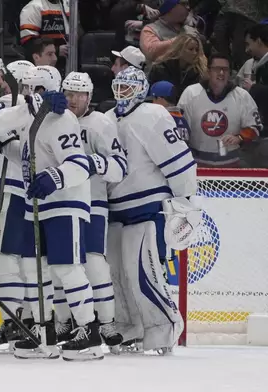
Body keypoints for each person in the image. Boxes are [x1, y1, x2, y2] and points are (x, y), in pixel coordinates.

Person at [0, 66, 104, 361]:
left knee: (67, 268)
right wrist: (5, 148)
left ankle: (89, 331)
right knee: (33, 269)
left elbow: (79, 164)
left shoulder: (60, 117)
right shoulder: (30, 119)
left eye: (35, 89)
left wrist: (55, 177)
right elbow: (32, 158)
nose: (29, 95)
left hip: (65, 203)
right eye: (27, 89)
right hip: (38, 206)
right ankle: (44, 331)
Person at [106, 66, 199, 354]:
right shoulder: (106, 119)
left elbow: (179, 161)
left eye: (129, 87)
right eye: (118, 86)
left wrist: (184, 203)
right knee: (116, 274)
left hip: (146, 206)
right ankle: (128, 324)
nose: (122, 93)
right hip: (114, 208)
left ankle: (164, 325)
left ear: (142, 90)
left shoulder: (153, 116)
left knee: (142, 272)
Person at [60, 71, 127, 350]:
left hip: (92, 203)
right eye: (69, 94)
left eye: (80, 94)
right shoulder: (55, 121)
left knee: (94, 262)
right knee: (61, 265)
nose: (74, 100)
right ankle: (64, 321)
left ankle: (107, 322)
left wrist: (94, 163)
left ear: (90, 97)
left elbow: (120, 167)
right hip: (60, 204)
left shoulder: (100, 123)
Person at [0, 60, 36, 354]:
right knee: (24, 262)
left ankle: (12, 320)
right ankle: (27, 318)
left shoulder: (8, 104)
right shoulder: (30, 106)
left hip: (11, 189)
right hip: (27, 192)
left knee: (4, 259)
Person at [178, 53, 262, 167]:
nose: (221, 73)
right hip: (196, 165)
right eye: (217, 69)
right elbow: (179, 128)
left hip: (231, 165)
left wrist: (240, 137)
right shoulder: (191, 93)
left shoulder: (242, 96)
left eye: (225, 69)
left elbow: (255, 127)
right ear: (208, 71)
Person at [147, 33, 208, 98]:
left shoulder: (198, 73)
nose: (195, 53)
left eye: (197, 50)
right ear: (179, 50)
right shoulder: (160, 68)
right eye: (191, 49)